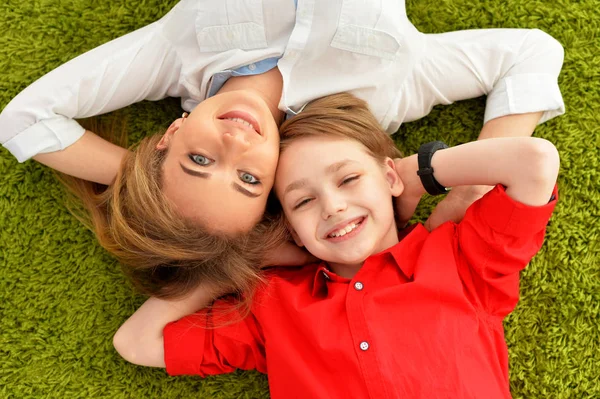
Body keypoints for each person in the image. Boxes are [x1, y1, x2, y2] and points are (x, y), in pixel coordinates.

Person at [0, 0, 565, 299]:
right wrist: (470, 187)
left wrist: (141, 174)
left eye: (198, 161)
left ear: (168, 136)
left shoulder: (173, 52)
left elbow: (23, 120)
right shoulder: (387, 94)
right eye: (248, 179)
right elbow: (532, 53)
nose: (235, 143)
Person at [112, 93, 559, 398]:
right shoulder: (273, 306)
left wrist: (412, 175)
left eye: (349, 179)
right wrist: (248, 258)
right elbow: (135, 341)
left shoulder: (459, 261)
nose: (333, 206)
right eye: (303, 201)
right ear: (287, 225)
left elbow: (535, 162)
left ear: (388, 176)